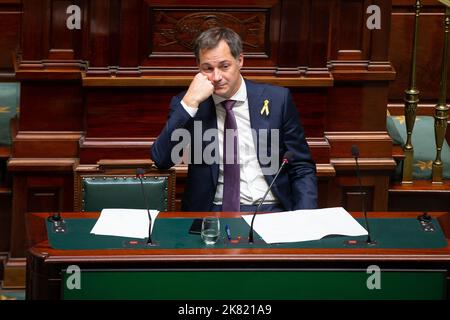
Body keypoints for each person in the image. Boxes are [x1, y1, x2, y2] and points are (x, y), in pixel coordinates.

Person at [151, 27, 317, 212]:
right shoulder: (189, 104)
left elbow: (301, 167)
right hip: (213, 212)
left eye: (224, 66)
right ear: (198, 67)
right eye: (208, 68)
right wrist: (190, 103)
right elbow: (162, 159)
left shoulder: (278, 100)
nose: (216, 77)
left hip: (271, 208)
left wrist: (304, 217)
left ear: (240, 61)